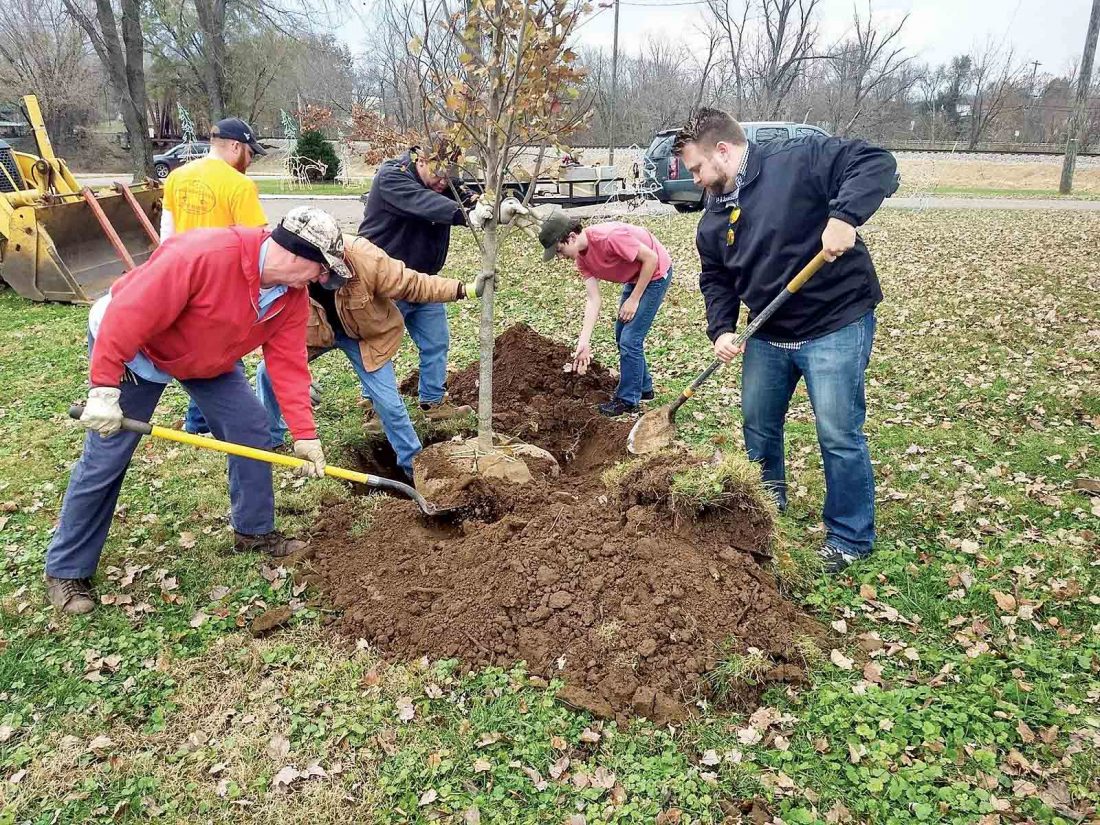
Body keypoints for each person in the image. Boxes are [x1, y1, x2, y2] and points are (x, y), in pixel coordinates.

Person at [44, 207, 348, 615]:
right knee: (106, 458)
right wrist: (103, 388)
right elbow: (127, 315)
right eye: (321, 269)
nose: (321, 280)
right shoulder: (204, 255)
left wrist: (305, 435)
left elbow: (289, 366)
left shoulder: (290, 298)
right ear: (296, 254)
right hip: (136, 350)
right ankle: (67, 569)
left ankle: (254, 532)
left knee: (250, 427)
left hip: (205, 357)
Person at [673, 107, 898, 573]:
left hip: (834, 321)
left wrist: (844, 216)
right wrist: (723, 329)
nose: (694, 179)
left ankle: (850, 537)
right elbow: (715, 278)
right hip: (768, 332)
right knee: (758, 427)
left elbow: (876, 162)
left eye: (696, 168)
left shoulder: (797, 160)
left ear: (723, 150)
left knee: (838, 434)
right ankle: (767, 509)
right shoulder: (712, 220)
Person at [255, 237, 493, 480]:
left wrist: (465, 289)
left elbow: (412, 283)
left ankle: (415, 470)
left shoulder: (365, 258)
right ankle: (269, 439)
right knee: (266, 372)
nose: (329, 280)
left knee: (388, 403)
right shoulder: (289, 269)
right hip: (314, 333)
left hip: (363, 337)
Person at [358, 138, 526, 421]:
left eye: (451, 174)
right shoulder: (393, 177)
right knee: (379, 344)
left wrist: (497, 207)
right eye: (439, 173)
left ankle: (433, 403)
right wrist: (465, 215)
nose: (444, 182)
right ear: (420, 160)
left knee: (436, 341)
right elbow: (423, 203)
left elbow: (470, 198)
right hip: (386, 281)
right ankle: (375, 407)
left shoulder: (444, 181)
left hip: (425, 281)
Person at [161, 117, 269, 436]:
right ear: (235, 146)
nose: (250, 161)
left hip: (182, 278)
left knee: (208, 351)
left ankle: (198, 422)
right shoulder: (240, 186)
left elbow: (166, 235)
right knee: (221, 354)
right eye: (250, 153)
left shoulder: (177, 177)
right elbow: (256, 245)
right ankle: (206, 425)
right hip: (221, 285)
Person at [539, 214, 673, 416]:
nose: (560, 256)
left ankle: (628, 400)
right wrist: (584, 343)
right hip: (634, 276)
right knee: (622, 334)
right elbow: (594, 300)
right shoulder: (582, 260)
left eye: (559, 250)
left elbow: (651, 259)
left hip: (654, 273)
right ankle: (644, 388)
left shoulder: (609, 237)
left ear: (572, 237)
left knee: (630, 338)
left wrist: (634, 299)